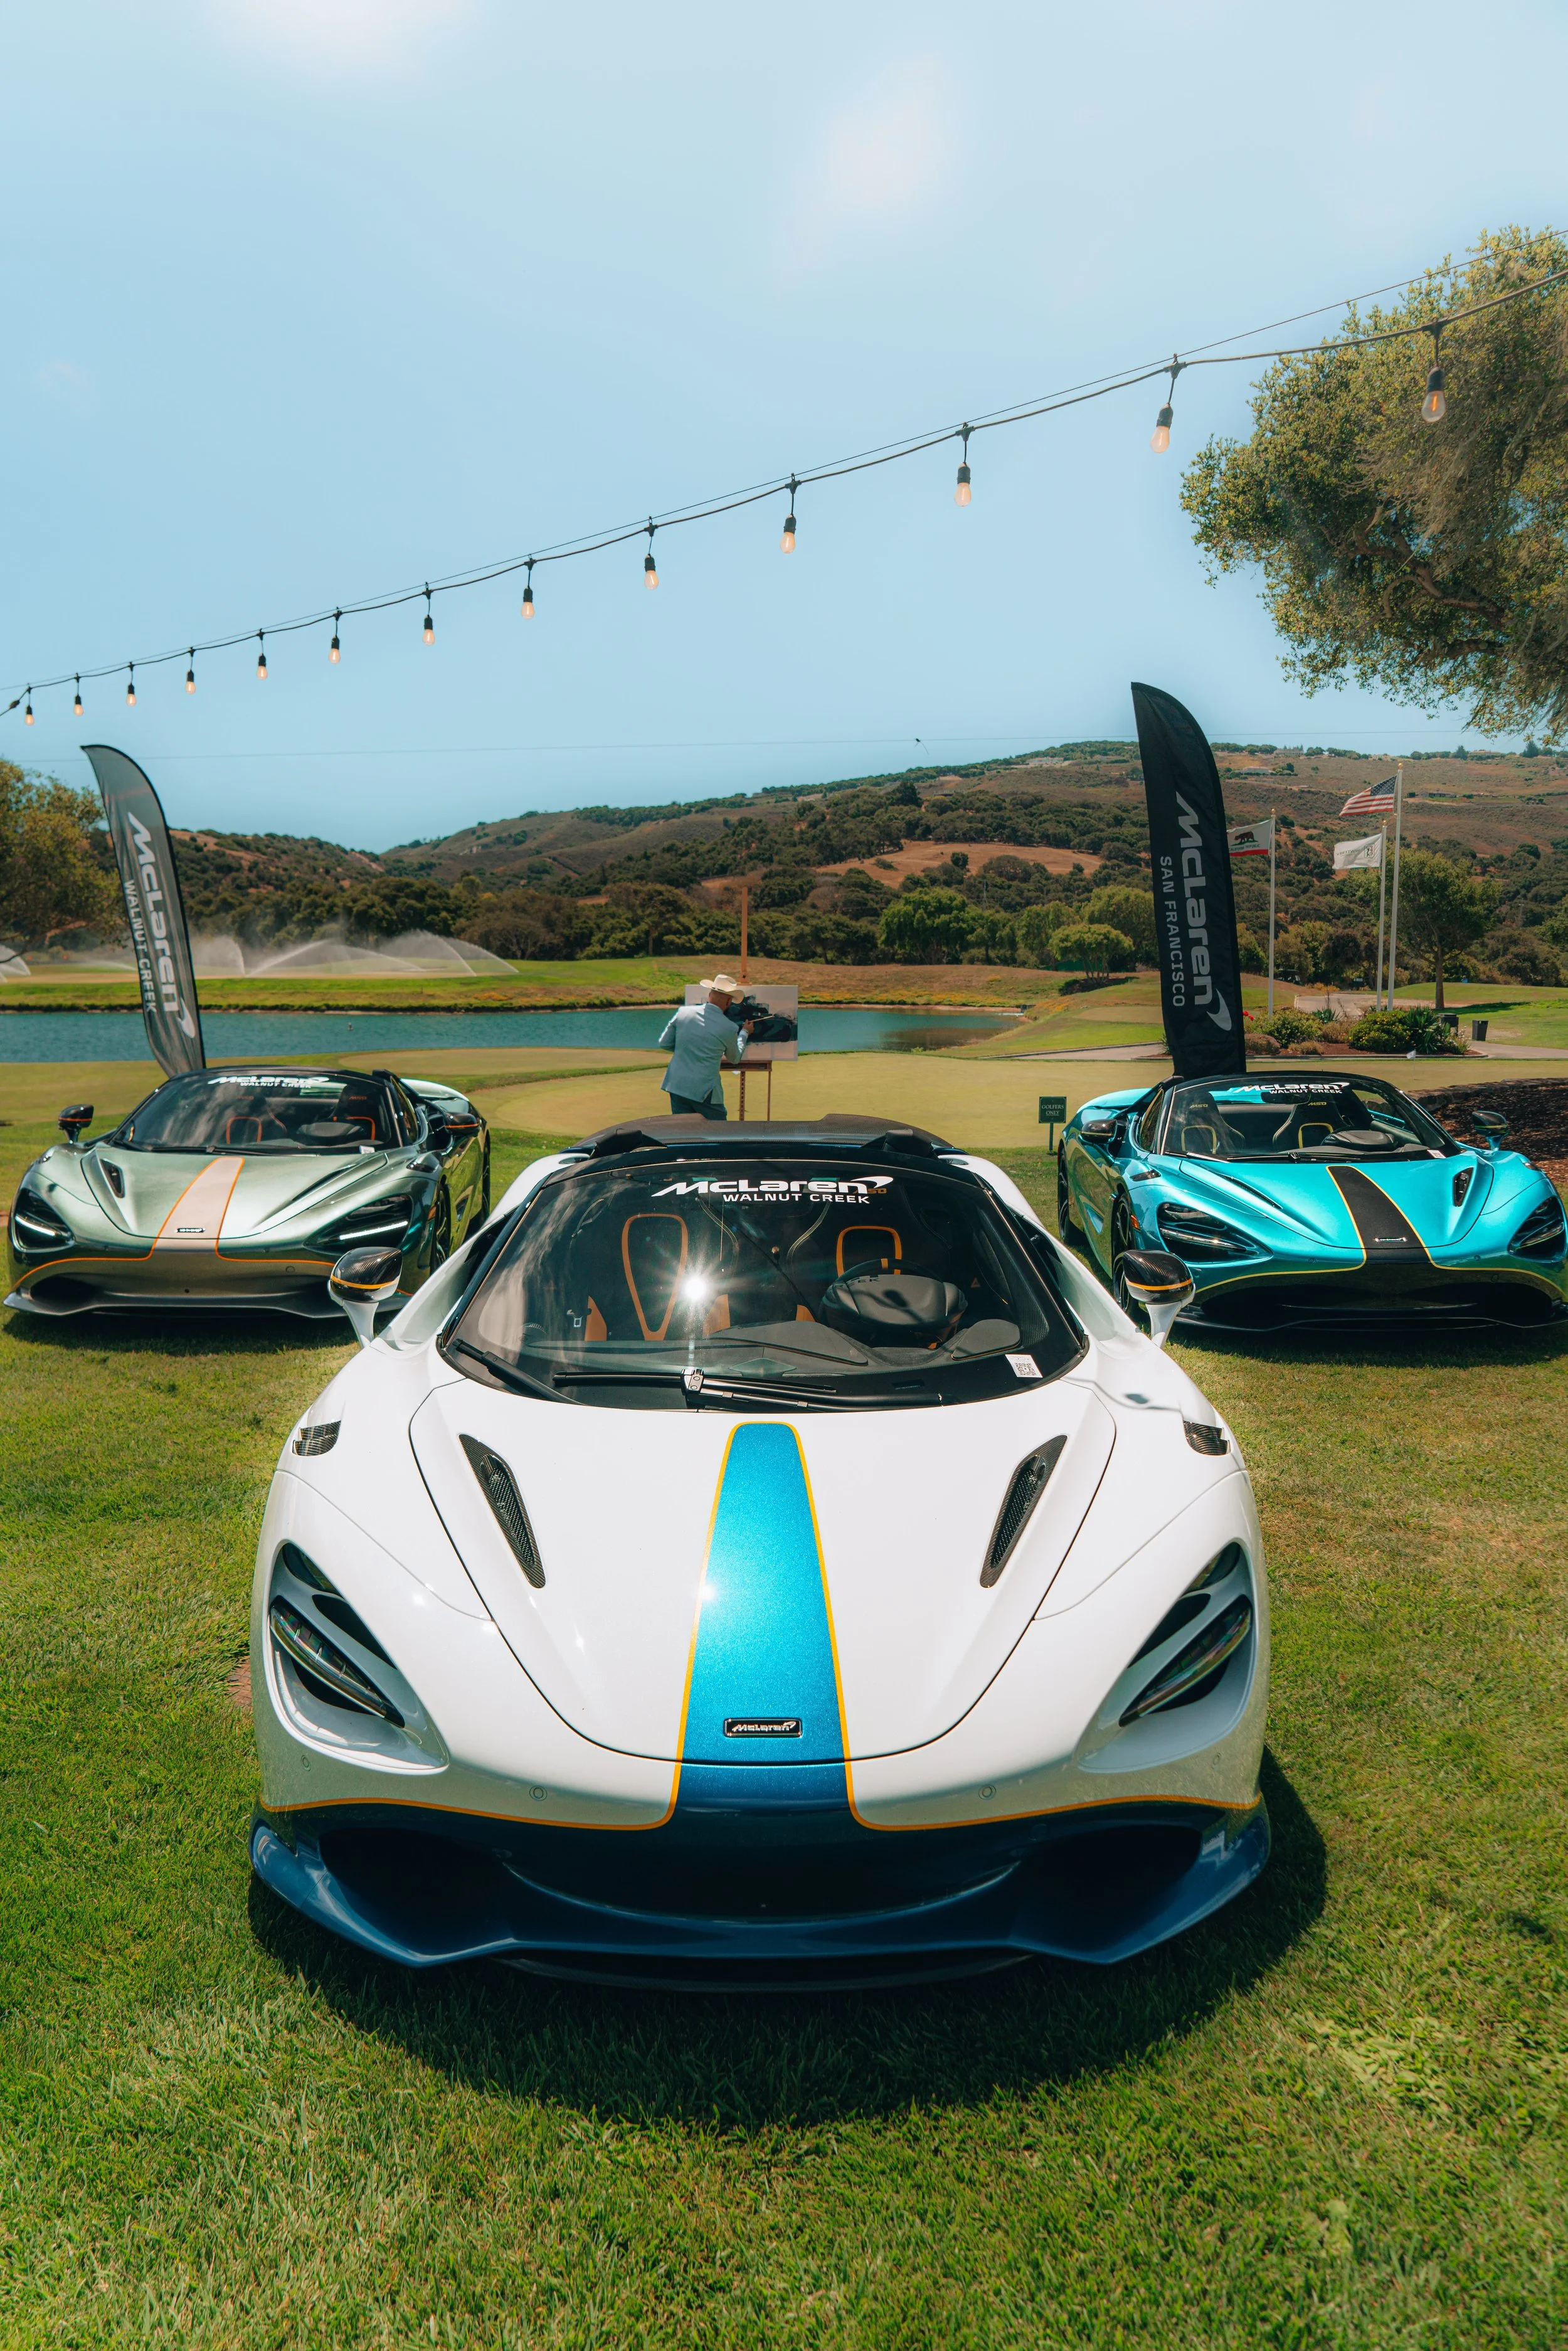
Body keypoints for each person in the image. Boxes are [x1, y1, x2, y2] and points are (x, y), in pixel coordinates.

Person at [658, 976, 751, 1118]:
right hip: (705, 1090)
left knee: (684, 1133)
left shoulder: (683, 1013)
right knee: (717, 1132)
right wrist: (744, 1033)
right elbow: (735, 1058)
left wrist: (688, 1050)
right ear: (728, 1001)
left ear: (709, 995)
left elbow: (665, 1043)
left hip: (677, 1085)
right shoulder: (729, 1027)